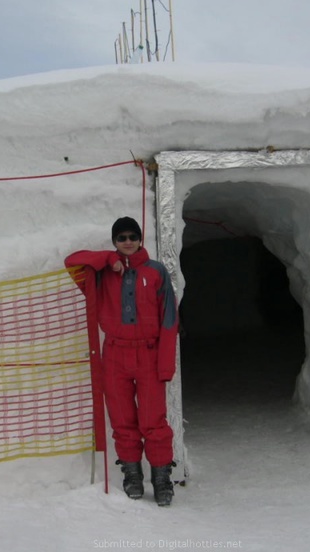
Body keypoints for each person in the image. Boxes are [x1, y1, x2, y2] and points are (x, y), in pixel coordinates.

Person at [64, 217, 178, 506]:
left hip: (148, 353)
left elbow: (169, 320)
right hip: (114, 354)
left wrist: (165, 364)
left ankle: (161, 477)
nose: (128, 242)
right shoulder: (101, 274)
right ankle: (132, 474)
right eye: (121, 237)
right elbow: (72, 261)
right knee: (122, 418)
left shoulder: (155, 271)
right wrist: (108, 260)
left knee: (153, 420)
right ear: (114, 241)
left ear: (140, 239)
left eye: (132, 237)